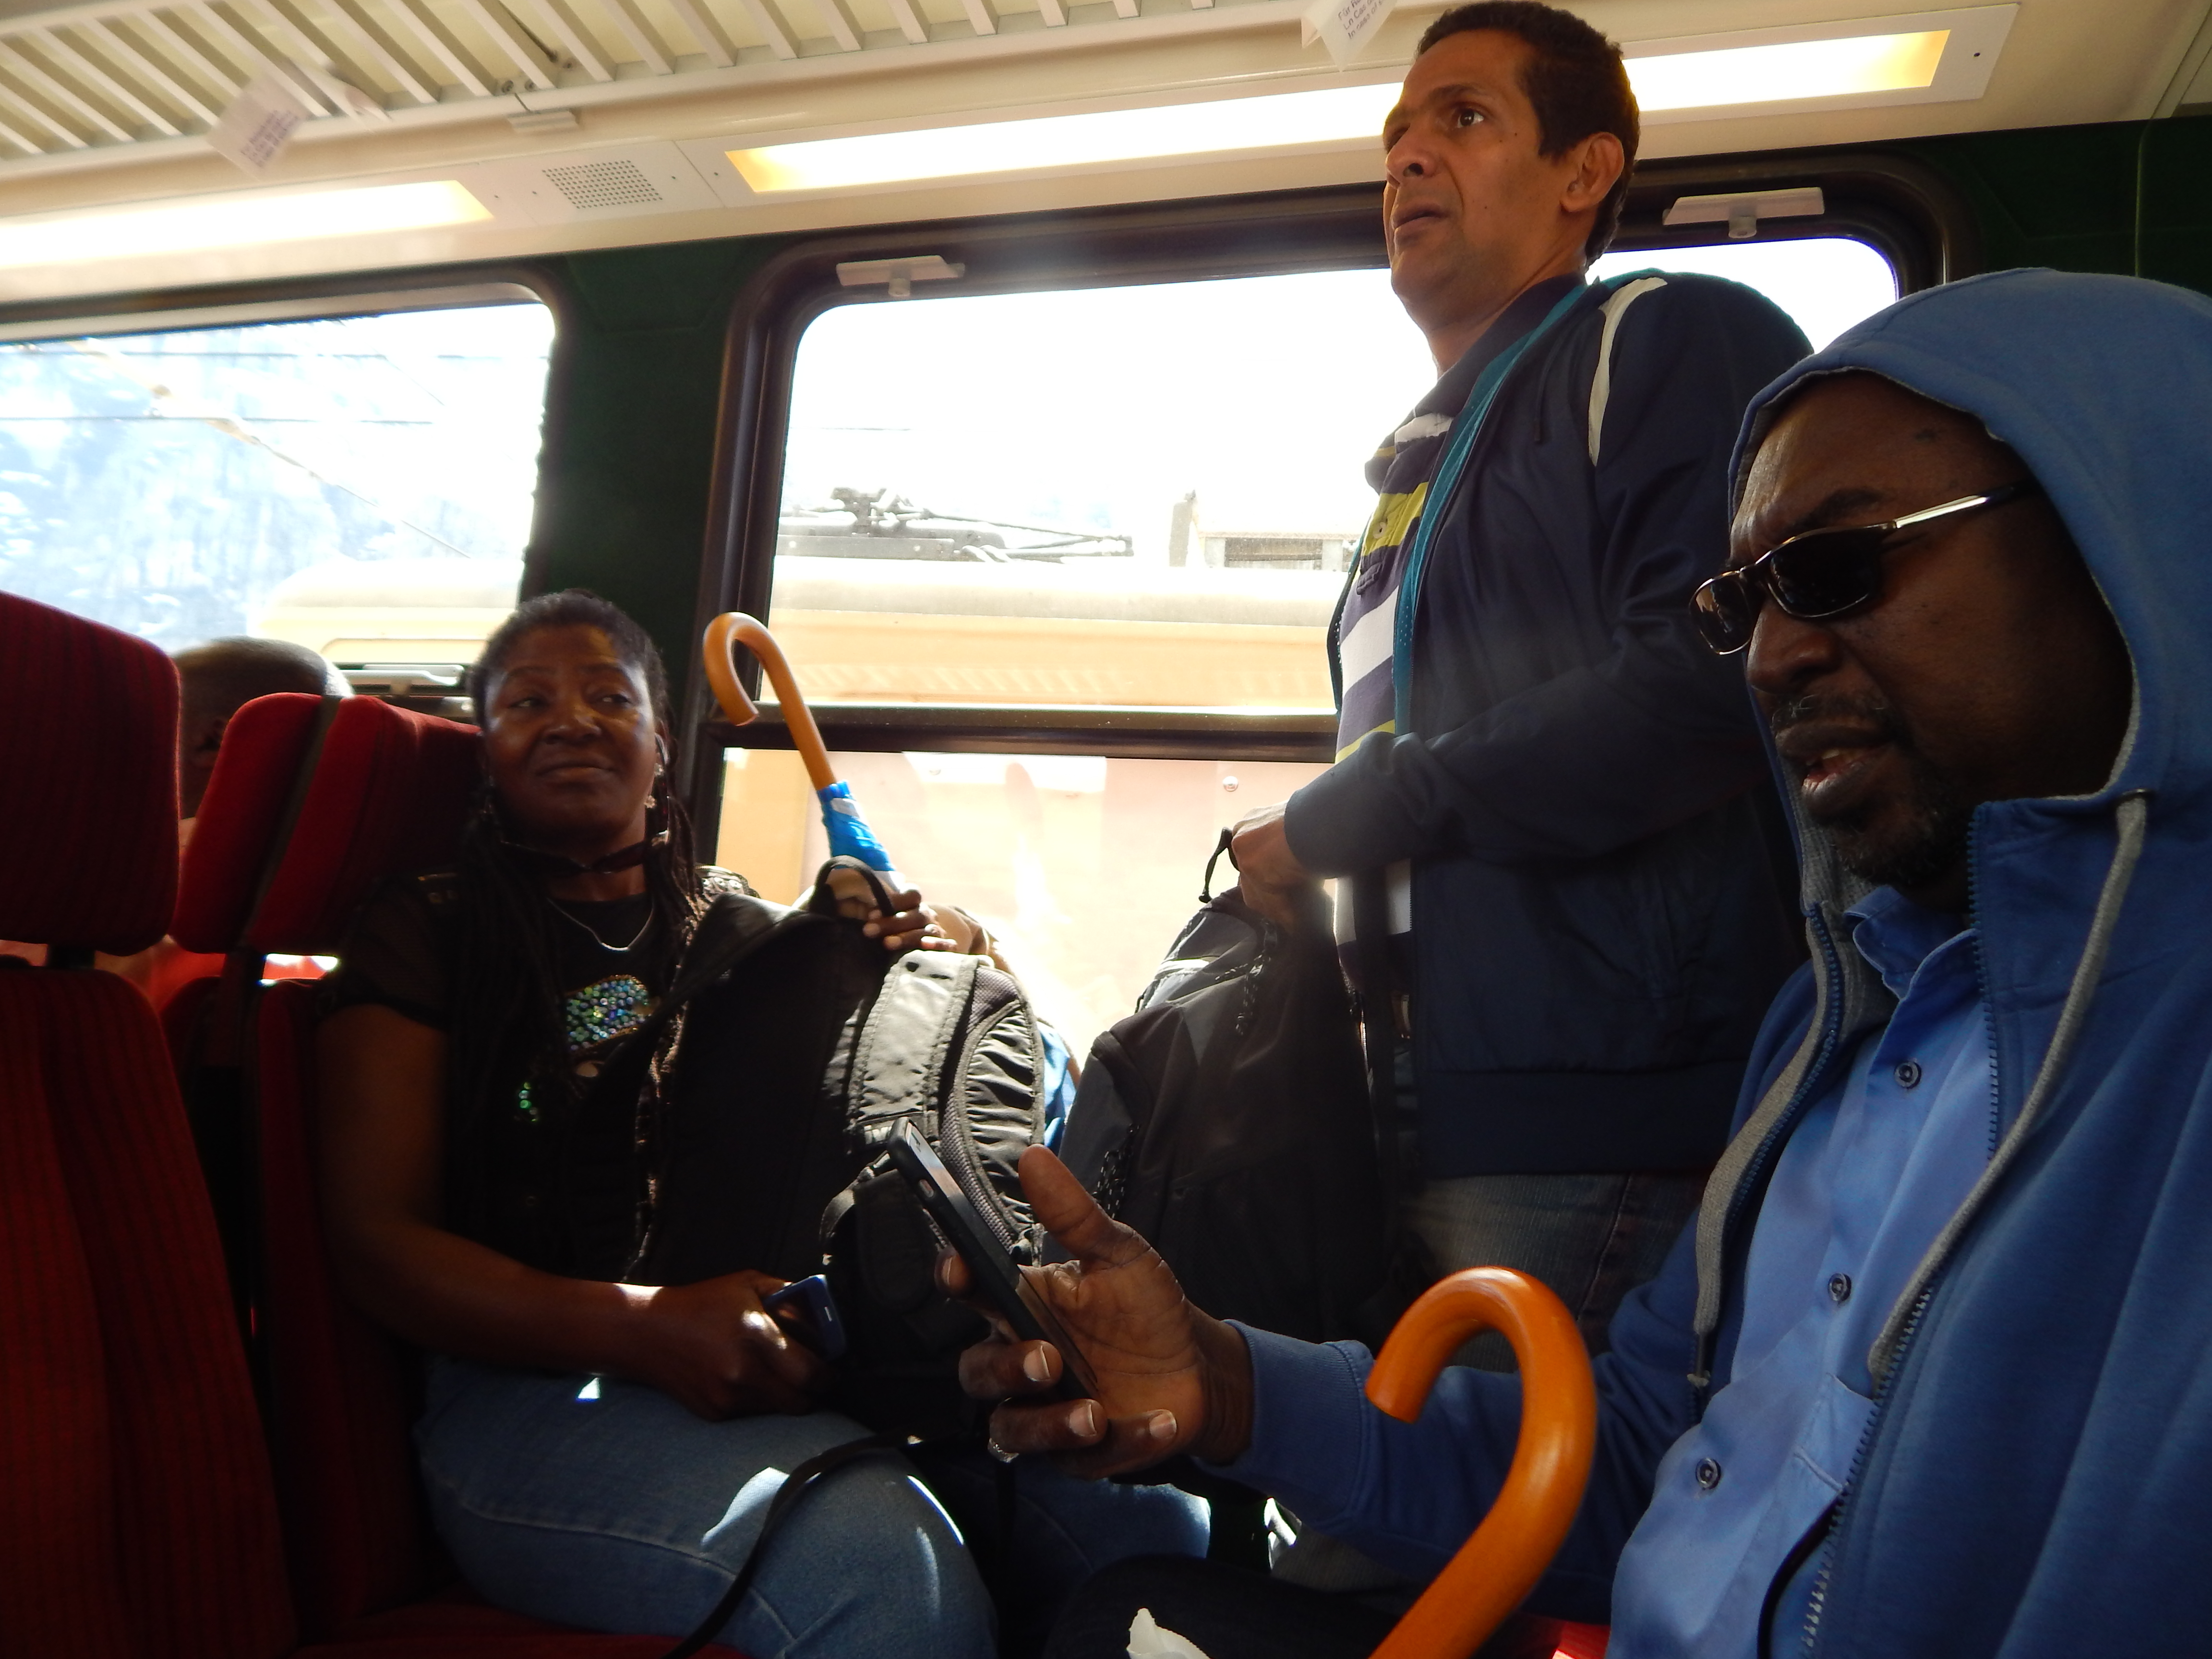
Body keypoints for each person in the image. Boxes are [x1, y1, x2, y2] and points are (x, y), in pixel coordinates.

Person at [962, 266, 2212, 1657]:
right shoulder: (1839, 1037)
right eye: (1742, 607)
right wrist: (1227, 1383)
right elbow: (1647, 1470)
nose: (1770, 661)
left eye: (1838, 567)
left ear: (2140, 542)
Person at [317, 589, 1203, 1659]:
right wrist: (641, 1327)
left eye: (609, 697)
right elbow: (376, 1242)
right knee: (880, 1569)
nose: (571, 721)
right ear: (487, 749)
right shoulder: (430, 927)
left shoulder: (741, 927)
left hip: (786, 1360)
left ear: (661, 743)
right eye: (527, 702)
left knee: (1146, 1523)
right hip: (531, 1392)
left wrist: (939, 939)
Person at [1225, 1, 1807, 1392]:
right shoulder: (1423, 470)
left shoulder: (1662, 339)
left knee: (1466, 1502)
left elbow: (1714, 671)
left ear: (1585, 171)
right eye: (1397, 134)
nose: (1408, 158)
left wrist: (1342, 819)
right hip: (1420, 1091)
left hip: (1593, 1106)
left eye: (1465, 118)